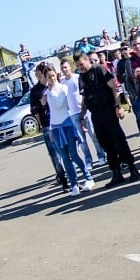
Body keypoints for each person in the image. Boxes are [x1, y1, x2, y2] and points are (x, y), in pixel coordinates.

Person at [75, 51, 139, 187]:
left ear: (87, 60)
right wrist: (81, 116)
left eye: (81, 64)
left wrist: (118, 106)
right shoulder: (82, 77)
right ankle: (116, 173)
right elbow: (85, 98)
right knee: (105, 144)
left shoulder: (99, 69)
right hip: (96, 114)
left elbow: (114, 88)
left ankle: (132, 168)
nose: (80, 67)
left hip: (108, 110)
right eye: (78, 66)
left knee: (118, 140)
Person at [41, 65, 95, 196]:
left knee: (73, 154)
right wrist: (46, 94)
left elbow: (59, 104)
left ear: (57, 75)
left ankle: (88, 178)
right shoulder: (46, 92)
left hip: (67, 124)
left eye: (53, 75)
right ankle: (74, 184)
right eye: (49, 77)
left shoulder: (63, 88)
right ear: (45, 78)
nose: (52, 79)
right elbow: (43, 105)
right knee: (65, 158)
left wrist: (49, 92)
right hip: (55, 126)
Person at [61, 59, 106, 168]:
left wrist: (84, 109)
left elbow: (84, 93)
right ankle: (88, 160)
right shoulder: (62, 83)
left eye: (66, 67)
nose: (64, 70)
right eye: (62, 68)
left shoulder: (77, 78)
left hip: (84, 111)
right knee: (82, 140)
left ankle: (101, 155)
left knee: (93, 134)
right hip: (73, 114)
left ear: (70, 67)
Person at [30, 65, 67, 192]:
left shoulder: (54, 84)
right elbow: (35, 111)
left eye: (46, 72)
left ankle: (72, 175)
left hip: (62, 120)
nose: (44, 75)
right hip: (48, 124)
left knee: (67, 149)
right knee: (55, 153)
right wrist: (43, 125)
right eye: (42, 73)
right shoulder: (35, 91)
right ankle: (62, 178)